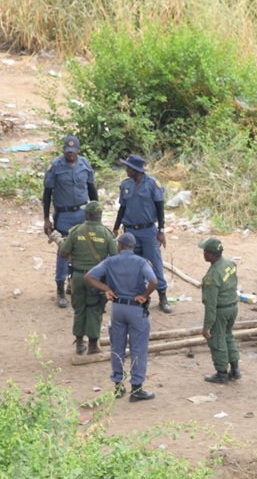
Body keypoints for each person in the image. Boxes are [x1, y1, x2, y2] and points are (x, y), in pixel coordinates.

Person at [84, 233, 157, 402]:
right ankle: (137, 388)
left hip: (117, 308)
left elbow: (89, 277)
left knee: (117, 347)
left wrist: (106, 289)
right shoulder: (141, 262)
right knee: (138, 349)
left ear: (121, 246)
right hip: (136, 308)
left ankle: (118, 386)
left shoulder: (110, 261)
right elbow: (154, 281)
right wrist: (145, 295)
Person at [112, 154, 172, 313]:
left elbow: (160, 209)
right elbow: (122, 208)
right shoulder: (126, 185)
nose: (126, 169)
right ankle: (142, 297)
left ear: (136, 169)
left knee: (156, 264)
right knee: (134, 264)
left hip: (148, 230)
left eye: (128, 167)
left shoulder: (153, 184)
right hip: (130, 230)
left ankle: (162, 296)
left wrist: (161, 231)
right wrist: (116, 227)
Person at [43, 135, 98, 308]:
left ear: (78, 151)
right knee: (64, 250)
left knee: (82, 248)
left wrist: (96, 213)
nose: (71, 155)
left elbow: (91, 190)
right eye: (68, 152)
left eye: (73, 152)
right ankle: (60, 287)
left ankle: (72, 283)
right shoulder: (55, 166)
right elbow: (47, 193)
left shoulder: (85, 164)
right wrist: (46, 218)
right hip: (64, 215)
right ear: (64, 151)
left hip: (82, 213)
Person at [59, 201, 118, 355]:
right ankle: (93, 346)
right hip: (96, 279)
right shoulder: (107, 234)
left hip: (78, 277)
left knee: (79, 309)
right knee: (94, 309)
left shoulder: (77, 231)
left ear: (87, 215)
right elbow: (115, 257)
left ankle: (79, 344)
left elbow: (63, 253)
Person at [198, 237, 241, 384]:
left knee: (217, 340)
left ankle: (221, 373)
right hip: (233, 306)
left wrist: (207, 326)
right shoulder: (230, 263)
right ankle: (235, 369)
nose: (203, 254)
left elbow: (211, 304)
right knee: (228, 336)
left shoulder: (212, 275)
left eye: (204, 251)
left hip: (220, 310)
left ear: (210, 254)